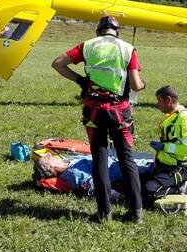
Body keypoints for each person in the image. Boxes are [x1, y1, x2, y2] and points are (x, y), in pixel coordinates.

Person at [52, 16, 146, 223]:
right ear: (116, 31)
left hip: (93, 112)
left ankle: (104, 214)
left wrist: (81, 81)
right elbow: (136, 84)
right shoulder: (128, 49)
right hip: (120, 113)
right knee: (126, 159)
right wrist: (143, 85)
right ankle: (136, 212)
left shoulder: (87, 46)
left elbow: (58, 63)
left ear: (99, 30)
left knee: (100, 159)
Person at [144, 86, 187, 204]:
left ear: (168, 100)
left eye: (159, 100)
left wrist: (164, 147)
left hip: (179, 168)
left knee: (148, 191)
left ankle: (181, 188)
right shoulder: (173, 116)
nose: (157, 104)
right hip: (165, 165)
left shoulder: (184, 119)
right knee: (136, 182)